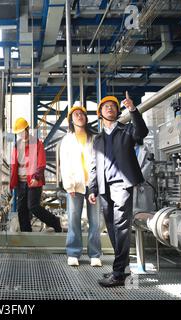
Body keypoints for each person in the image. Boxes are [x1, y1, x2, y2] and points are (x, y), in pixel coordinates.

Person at [88, 92, 149, 287]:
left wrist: (132, 109)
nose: (110, 108)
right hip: (105, 188)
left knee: (121, 225)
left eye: (113, 106)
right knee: (113, 228)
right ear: (100, 112)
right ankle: (121, 270)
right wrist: (92, 189)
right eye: (106, 106)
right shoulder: (97, 139)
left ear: (117, 110)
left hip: (122, 184)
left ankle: (118, 272)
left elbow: (142, 132)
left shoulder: (127, 130)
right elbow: (93, 166)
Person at [60, 106, 102, 267]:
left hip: (93, 185)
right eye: (76, 115)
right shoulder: (67, 140)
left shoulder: (94, 137)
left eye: (82, 114)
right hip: (75, 185)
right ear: (71, 119)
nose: (79, 117)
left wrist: (98, 185)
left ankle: (95, 254)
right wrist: (69, 185)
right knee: (73, 220)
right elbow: (64, 164)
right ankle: (73, 252)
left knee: (95, 220)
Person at [10, 117, 62, 232]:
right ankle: (26, 233)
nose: (21, 134)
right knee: (21, 209)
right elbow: (14, 165)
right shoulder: (16, 146)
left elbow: (41, 163)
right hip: (20, 182)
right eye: (19, 133)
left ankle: (54, 221)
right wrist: (12, 182)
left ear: (27, 129)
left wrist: (36, 177)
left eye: (22, 131)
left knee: (33, 207)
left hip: (34, 181)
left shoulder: (37, 143)